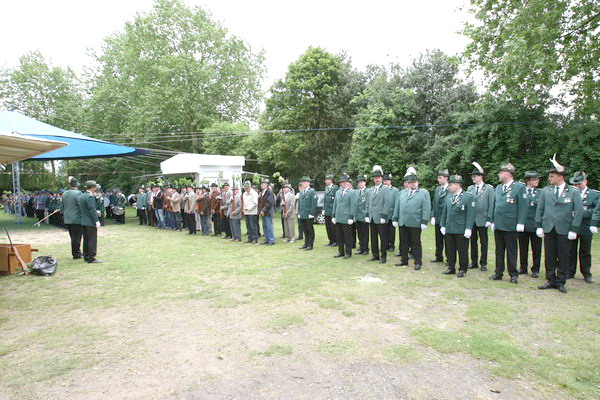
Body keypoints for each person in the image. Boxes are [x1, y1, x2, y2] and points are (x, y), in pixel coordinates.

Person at [536, 155, 583, 293]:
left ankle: (561, 281)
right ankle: (550, 279)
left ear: (560, 177)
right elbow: (540, 209)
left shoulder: (573, 192)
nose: (549, 178)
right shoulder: (546, 191)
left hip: (564, 228)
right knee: (549, 255)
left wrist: (574, 229)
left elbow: (578, 211)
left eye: (552, 176)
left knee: (563, 255)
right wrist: (539, 226)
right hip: (549, 227)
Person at [489, 162, 528, 284]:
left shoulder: (519, 187)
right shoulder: (498, 188)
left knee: (511, 250)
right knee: (499, 250)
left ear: (508, 174)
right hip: (499, 223)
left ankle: (513, 274)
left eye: (501, 172)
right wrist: (493, 220)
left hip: (511, 224)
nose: (499, 175)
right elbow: (495, 205)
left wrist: (521, 222)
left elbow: (523, 206)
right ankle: (498, 272)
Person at [392, 167, 431, 270]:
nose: (412, 184)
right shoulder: (402, 193)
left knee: (416, 243)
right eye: (410, 182)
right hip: (403, 222)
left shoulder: (423, 193)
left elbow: (426, 208)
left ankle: (418, 262)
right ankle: (404, 260)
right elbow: (397, 206)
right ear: (407, 183)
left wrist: (424, 221)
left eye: (414, 182)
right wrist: (395, 218)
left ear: (417, 182)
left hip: (415, 222)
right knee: (403, 243)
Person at [440, 175, 476, 277]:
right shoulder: (449, 197)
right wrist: (443, 225)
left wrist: (468, 228)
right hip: (450, 228)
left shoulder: (468, 197)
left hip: (461, 229)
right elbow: (445, 212)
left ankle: (463, 269)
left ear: (457, 185)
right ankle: (451, 267)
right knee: (450, 250)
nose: (449, 187)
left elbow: (471, 214)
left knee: (462, 251)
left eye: (451, 185)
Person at [568, 171, 598, 283]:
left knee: (585, 250)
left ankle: (586, 273)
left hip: (585, 226)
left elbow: (596, 210)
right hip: (572, 226)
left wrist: (580, 214)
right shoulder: (570, 192)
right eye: (575, 184)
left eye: (579, 184)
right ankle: (570, 271)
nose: (577, 186)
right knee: (571, 250)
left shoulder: (595, 194)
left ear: (585, 182)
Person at [466, 162, 494, 271]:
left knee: (484, 242)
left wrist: (489, 219)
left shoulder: (489, 189)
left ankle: (483, 263)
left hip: (483, 219)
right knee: (473, 242)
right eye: (472, 176)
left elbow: (491, 204)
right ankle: (474, 262)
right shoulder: (470, 189)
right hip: (472, 219)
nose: (473, 178)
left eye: (475, 176)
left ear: (481, 177)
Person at [518, 171, 542, 277]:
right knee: (523, 248)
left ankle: (535, 269)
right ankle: (523, 267)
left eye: (537, 179)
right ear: (528, 181)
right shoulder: (521, 191)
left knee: (536, 249)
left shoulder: (541, 192)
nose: (537, 181)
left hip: (535, 225)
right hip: (523, 225)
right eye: (534, 179)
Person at [366, 165, 392, 264]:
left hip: (381, 218)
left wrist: (384, 215)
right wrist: (367, 215)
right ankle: (375, 255)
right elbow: (368, 203)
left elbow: (387, 202)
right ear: (373, 179)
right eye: (375, 178)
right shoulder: (371, 189)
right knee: (373, 238)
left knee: (383, 238)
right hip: (372, 217)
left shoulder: (385, 189)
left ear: (381, 179)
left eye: (378, 178)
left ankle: (383, 256)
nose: (377, 179)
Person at [332, 173, 357, 258]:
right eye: (342, 182)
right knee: (339, 236)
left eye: (345, 182)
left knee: (348, 236)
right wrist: (333, 216)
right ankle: (340, 252)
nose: (344, 183)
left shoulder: (351, 192)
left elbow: (353, 205)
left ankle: (348, 253)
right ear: (340, 183)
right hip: (338, 217)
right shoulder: (337, 192)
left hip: (346, 218)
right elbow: (335, 205)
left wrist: (351, 217)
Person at [78, 180, 102, 264]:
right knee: (92, 240)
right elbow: (92, 210)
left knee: (86, 239)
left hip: (83, 220)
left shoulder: (82, 195)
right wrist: (96, 221)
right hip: (90, 221)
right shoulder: (90, 197)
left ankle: (86, 256)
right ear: (93, 187)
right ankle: (91, 257)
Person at [61, 176, 84, 260]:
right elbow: (81, 205)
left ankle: (76, 252)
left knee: (73, 236)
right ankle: (76, 254)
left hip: (67, 218)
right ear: (77, 185)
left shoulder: (64, 193)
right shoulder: (79, 193)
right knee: (76, 237)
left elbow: (62, 206)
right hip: (77, 218)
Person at [431, 169, 450, 263]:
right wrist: (433, 216)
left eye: (440, 178)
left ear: (446, 178)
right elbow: (435, 203)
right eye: (438, 178)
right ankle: (438, 256)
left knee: (448, 240)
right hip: (438, 218)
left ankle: (449, 258)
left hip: (446, 219)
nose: (438, 179)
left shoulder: (450, 189)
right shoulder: (438, 189)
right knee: (438, 239)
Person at [298, 176, 318, 250]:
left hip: (309, 214)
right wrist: (299, 213)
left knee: (310, 230)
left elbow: (314, 203)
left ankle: (310, 244)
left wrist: (311, 213)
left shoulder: (312, 191)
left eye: (304, 182)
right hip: (303, 214)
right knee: (305, 230)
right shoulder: (301, 192)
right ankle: (306, 243)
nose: (302, 183)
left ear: (308, 183)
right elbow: (300, 204)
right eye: (302, 182)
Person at [383, 172, 399, 253]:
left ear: (390, 181)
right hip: (383, 215)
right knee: (384, 231)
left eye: (387, 181)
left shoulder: (395, 190)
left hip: (392, 214)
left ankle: (392, 245)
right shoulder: (382, 189)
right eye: (384, 181)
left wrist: (395, 215)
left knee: (391, 231)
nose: (385, 182)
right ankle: (385, 245)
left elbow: (396, 203)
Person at [354, 175, 369, 255]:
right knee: (359, 234)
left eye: (361, 182)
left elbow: (368, 204)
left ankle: (366, 249)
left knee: (365, 234)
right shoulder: (356, 192)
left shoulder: (368, 192)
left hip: (364, 216)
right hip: (357, 216)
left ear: (365, 183)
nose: (360, 184)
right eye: (359, 182)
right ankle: (361, 248)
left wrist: (367, 215)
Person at [259, 179, 276, 245]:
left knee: (269, 226)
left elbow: (269, 202)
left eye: (262, 184)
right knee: (264, 226)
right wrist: (261, 210)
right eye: (261, 184)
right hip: (263, 211)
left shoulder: (269, 192)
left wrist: (263, 210)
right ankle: (267, 240)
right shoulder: (262, 192)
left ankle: (271, 240)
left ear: (266, 185)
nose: (261, 185)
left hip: (268, 211)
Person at [323, 174, 338, 247]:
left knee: (333, 227)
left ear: (331, 180)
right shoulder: (326, 188)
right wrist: (323, 209)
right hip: (327, 210)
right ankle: (331, 240)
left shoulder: (335, 188)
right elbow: (325, 200)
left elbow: (336, 200)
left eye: (327, 180)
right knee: (328, 227)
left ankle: (336, 241)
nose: (325, 181)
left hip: (332, 210)